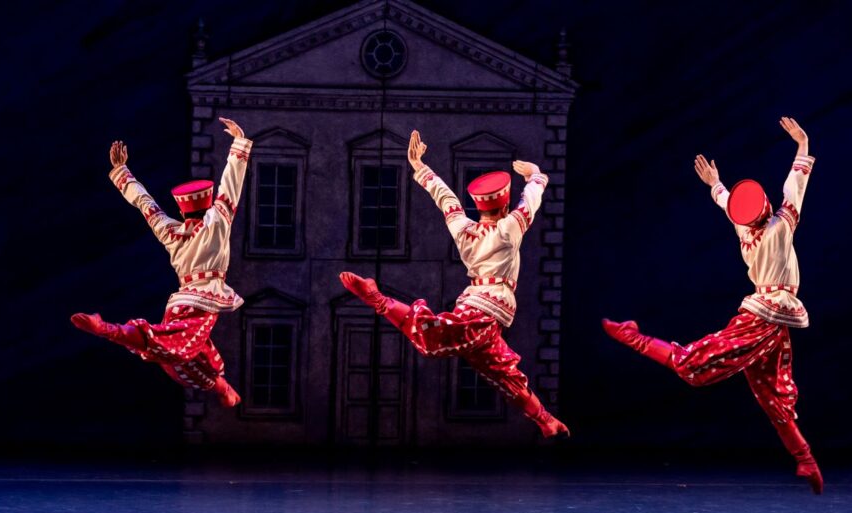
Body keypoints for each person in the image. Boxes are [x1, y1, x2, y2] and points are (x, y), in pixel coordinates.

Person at [603, 117, 823, 493]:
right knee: (696, 364)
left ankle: (805, 460)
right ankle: (632, 337)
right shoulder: (779, 227)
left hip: (768, 315)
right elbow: (794, 189)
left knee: (773, 393)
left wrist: (717, 185)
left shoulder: (746, 230)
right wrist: (801, 147)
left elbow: (729, 206)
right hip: (765, 315)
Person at [340, 130, 569, 438]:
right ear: (503, 207)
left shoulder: (464, 230)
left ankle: (545, 420)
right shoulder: (509, 229)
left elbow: (446, 199)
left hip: (483, 315)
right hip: (483, 312)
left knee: (505, 374)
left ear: (480, 207)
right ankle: (379, 299)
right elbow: (531, 201)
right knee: (433, 335)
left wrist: (419, 166)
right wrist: (536, 175)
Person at [71, 118, 252, 407]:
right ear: (207, 205)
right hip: (204, 299)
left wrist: (121, 171)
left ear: (183, 212)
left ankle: (221, 386)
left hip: (179, 302)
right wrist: (238, 144)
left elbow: (146, 204)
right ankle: (107, 329)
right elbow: (230, 188)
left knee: (186, 356)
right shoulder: (216, 223)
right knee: (173, 351)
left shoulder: (171, 230)